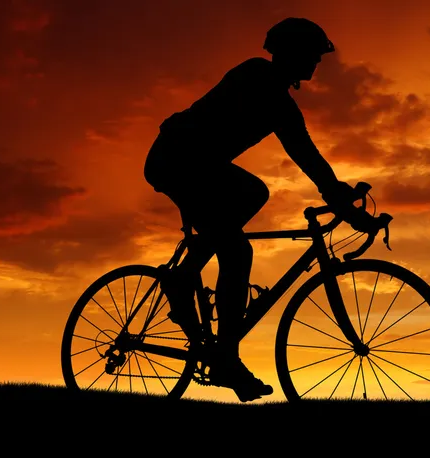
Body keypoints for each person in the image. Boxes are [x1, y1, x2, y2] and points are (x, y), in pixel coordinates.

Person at [143, 17, 372, 402]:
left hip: (201, 165)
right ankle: (225, 356)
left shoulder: (282, 104)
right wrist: (342, 203)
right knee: (236, 248)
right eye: (312, 55)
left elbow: (310, 159)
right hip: (177, 159)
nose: (316, 62)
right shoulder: (255, 76)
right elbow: (307, 157)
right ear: (292, 53)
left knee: (252, 194)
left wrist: (346, 205)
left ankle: (184, 280)